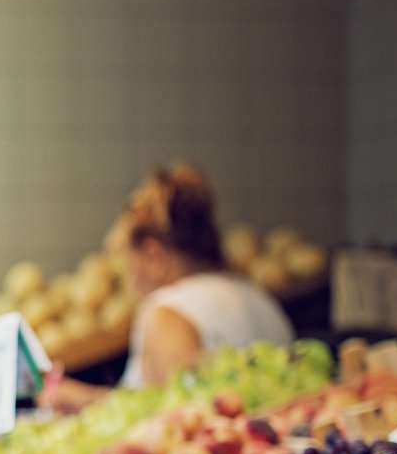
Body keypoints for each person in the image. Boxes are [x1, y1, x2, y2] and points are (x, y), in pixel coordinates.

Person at [42, 165, 292, 410]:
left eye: (126, 260)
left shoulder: (168, 312)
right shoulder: (259, 298)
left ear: (154, 258)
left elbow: (176, 420)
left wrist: (88, 400)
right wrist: (86, 398)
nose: (127, 279)